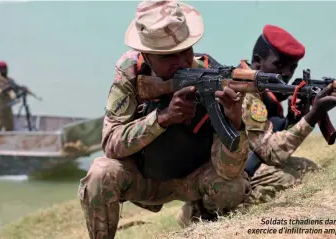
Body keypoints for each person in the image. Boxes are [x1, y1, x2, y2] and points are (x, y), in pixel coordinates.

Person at [78, 2, 252, 238]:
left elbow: (229, 171)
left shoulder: (212, 74)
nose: (180, 62)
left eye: (186, 50)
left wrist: (234, 120)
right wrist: (163, 119)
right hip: (145, 178)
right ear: (146, 55)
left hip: (196, 180)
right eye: (168, 56)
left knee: (233, 187)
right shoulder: (131, 73)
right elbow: (110, 143)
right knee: (100, 172)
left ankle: (199, 216)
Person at [176, 24, 336, 227]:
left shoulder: (266, 93)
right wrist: (312, 116)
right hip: (224, 173)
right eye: (279, 64)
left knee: (309, 170)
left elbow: (270, 132)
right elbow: (269, 151)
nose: (286, 73)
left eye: (292, 67)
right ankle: (198, 213)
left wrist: (296, 117)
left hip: (243, 165)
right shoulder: (246, 91)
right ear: (257, 61)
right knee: (289, 180)